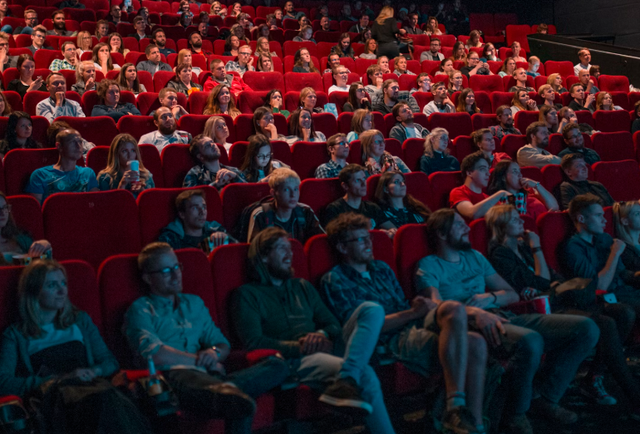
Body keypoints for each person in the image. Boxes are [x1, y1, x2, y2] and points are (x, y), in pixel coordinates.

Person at [417, 208, 599, 433]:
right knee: (531, 340)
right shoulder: (428, 265)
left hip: (504, 314)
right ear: (441, 234)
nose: (467, 228)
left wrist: (490, 297)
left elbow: (511, 294)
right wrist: (475, 312)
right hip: (470, 325)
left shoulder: (475, 257)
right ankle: (517, 413)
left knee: (587, 328)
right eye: (458, 224)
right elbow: (436, 308)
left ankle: (544, 396)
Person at [322, 213, 488, 434]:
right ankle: (457, 411)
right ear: (343, 247)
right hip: (389, 339)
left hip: (411, 324)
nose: (369, 243)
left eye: (369, 238)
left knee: (454, 309)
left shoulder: (381, 268)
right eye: (361, 240)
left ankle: (472, 423)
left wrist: (418, 308)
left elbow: (402, 306)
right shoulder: (336, 279)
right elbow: (363, 329)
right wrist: (412, 313)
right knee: (474, 343)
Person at [231, 227, 395, 433]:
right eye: (282, 248)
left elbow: (333, 325)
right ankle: (351, 378)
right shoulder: (247, 295)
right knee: (366, 374)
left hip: (327, 346)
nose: (290, 254)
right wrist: (300, 346)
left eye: (290, 248)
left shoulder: (302, 286)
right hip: (295, 360)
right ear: (263, 256)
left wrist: (321, 335)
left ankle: (346, 378)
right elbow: (254, 342)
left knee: (372, 309)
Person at [486, 203, 640, 414]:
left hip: (560, 299)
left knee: (622, 312)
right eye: (515, 219)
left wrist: (550, 279)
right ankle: (632, 393)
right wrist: (537, 248)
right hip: (539, 308)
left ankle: (596, 377)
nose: (522, 221)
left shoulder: (523, 248)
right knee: (605, 323)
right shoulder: (501, 253)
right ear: (501, 225)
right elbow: (541, 281)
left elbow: (552, 276)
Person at [124, 242, 289, 434]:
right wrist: (198, 361)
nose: (176, 274)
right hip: (174, 378)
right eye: (166, 270)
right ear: (147, 278)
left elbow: (222, 345)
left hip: (209, 376)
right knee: (240, 403)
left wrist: (213, 353)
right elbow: (153, 354)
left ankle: (227, 390)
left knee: (277, 365)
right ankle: (229, 393)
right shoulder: (141, 309)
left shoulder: (194, 303)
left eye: (177, 267)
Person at [0, 260, 155, 434]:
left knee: (109, 399)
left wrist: (95, 371)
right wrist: (59, 379)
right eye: (52, 285)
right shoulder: (15, 335)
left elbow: (109, 361)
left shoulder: (80, 320)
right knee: (105, 402)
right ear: (33, 291)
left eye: (63, 283)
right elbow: (4, 382)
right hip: (56, 398)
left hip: (93, 387)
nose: (62, 291)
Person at [245, 168, 324, 243]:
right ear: (273, 193)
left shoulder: (305, 211)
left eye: (296, 189)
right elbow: (255, 252)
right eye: (286, 189)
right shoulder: (261, 215)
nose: (293, 195)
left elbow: (320, 242)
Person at [26, 129, 98, 204]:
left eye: (80, 142)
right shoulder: (40, 175)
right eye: (72, 142)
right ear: (59, 146)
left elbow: (95, 205)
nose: (78, 146)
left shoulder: (88, 173)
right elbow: (36, 210)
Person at [323, 164, 397, 234]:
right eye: (357, 180)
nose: (363, 184)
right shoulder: (335, 209)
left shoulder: (372, 207)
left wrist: (389, 233)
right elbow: (336, 238)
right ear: (345, 186)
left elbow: (392, 229)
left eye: (364, 179)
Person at [158, 190, 233, 253]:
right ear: (182, 214)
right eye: (195, 208)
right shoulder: (171, 240)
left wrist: (226, 238)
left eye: (204, 207)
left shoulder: (216, 230)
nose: (202, 212)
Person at [450, 152, 511, 221]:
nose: (488, 173)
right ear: (469, 172)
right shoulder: (458, 192)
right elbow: (471, 213)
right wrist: (500, 193)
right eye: (483, 169)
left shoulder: (487, 198)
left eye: (488, 169)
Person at [487, 160, 558, 219]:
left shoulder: (531, 192)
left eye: (519, 171)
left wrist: (537, 185)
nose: (520, 175)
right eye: (515, 172)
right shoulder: (499, 200)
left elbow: (554, 207)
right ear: (503, 177)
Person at [0, 191, 50, 264]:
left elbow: (43, 267)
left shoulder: (21, 239)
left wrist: (45, 246)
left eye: (5, 208)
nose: (2, 213)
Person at [97, 133, 154, 197]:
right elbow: (107, 205)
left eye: (133, 150)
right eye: (124, 151)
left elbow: (152, 203)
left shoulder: (145, 175)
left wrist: (142, 191)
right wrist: (122, 185)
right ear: (116, 154)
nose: (130, 155)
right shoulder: (105, 177)